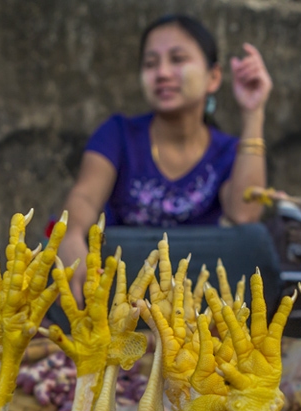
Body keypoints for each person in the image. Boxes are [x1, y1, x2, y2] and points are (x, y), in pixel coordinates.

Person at [58, 14, 273, 299]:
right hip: (120, 287)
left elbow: (245, 214)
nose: (162, 73)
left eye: (177, 59)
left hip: (197, 292)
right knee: (68, 248)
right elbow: (85, 196)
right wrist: (71, 235)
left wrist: (253, 113)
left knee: (254, 242)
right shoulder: (119, 134)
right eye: (150, 63)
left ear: (214, 77)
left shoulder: (226, 151)